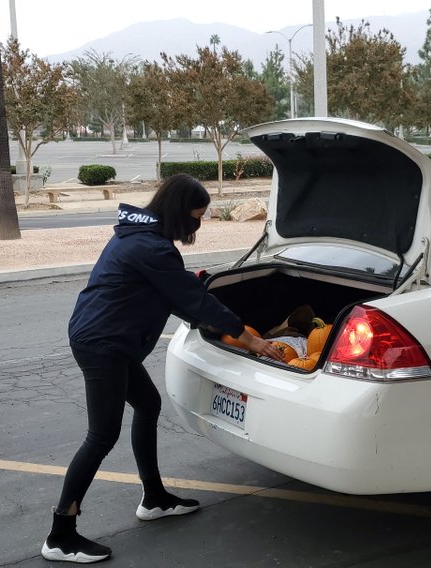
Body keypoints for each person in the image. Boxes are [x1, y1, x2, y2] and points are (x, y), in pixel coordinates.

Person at [42, 174, 285, 564]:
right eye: (196, 217)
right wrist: (250, 338)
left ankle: (153, 498)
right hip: (103, 344)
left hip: (108, 338)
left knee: (148, 405)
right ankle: (60, 533)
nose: (198, 225)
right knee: (101, 436)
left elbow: (173, 295)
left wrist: (205, 314)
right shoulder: (152, 248)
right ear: (178, 213)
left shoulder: (141, 237)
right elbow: (192, 300)